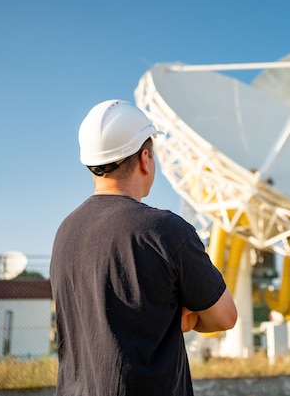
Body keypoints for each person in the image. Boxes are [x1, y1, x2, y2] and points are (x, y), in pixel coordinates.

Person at [50, 99, 237, 396]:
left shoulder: (65, 232)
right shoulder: (166, 232)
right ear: (145, 158)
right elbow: (225, 316)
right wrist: (186, 316)